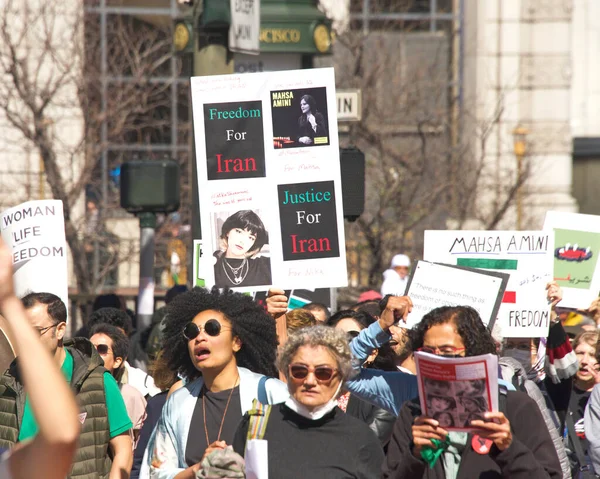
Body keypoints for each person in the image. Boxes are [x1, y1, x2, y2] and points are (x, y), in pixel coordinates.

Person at [383, 305, 562, 479]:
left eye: (447, 351)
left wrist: (509, 448)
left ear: (473, 352)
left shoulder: (516, 407)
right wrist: (415, 455)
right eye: (428, 352)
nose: (436, 358)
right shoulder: (413, 412)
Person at [148, 287, 289, 479]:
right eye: (191, 332)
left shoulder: (271, 392)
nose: (200, 337)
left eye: (212, 329)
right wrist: (199, 468)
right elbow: (156, 473)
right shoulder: (178, 401)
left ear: (236, 342)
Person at [0, 292, 134, 478]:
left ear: (60, 329)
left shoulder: (98, 382)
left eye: (35, 331)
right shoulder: (7, 385)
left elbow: (123, 450)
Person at [232, 325, 384, 478]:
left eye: (323, 373)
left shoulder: (361, 438)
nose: (310, 381)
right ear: (286, 371)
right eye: (299, 371)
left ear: (341, 377)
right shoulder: (256, 424)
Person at [0, 238, 80, 479]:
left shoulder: (94, 377)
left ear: (60, 329)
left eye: (38, 331)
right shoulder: (9, 381)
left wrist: (8, 301)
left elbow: (61, 435)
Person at [327, 309, 396, 449]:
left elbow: (366, 444)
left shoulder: (385, 393)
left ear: (372, 353)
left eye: (352, 338)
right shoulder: (313, 383)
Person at [90, 323, 148, 445]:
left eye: (102, 349)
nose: (93, 354)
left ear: (117, 361)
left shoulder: (131, 396)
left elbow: (140, 444)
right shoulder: (70, 391)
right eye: (89, 348)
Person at [88, 307, 161, 398]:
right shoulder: (74, 385)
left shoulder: (145, 386)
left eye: (120, 339)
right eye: (101, 347)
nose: (117, 346)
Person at [213, 210, 272, 288]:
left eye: (251, 237)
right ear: (228, 232)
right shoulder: (214, 263)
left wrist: (261, 236)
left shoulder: (263, 265)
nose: (242, 241)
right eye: (239, 231)